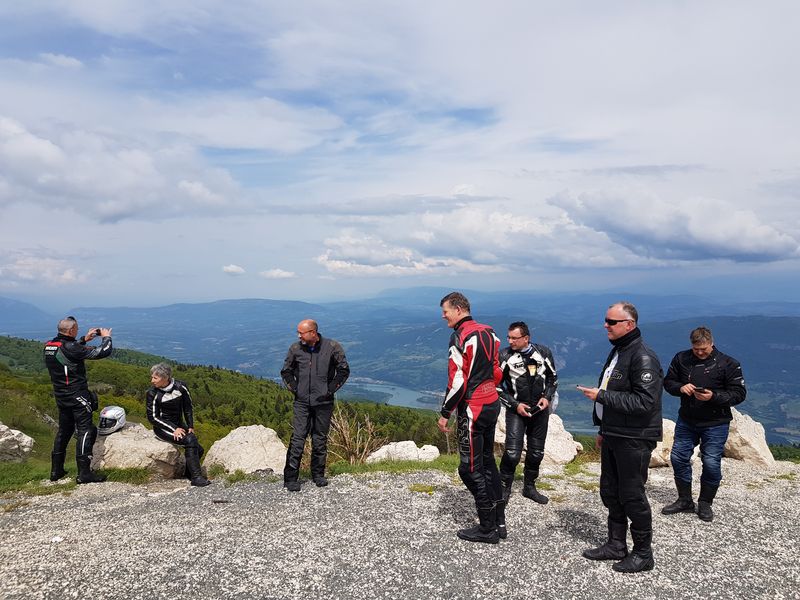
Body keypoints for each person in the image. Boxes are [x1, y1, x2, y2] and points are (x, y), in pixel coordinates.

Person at [577, 302, 663, 573]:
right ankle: (616, 544)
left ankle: (643, 553)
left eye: (611, 322)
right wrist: (603, 429)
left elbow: (645, 402)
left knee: (632, 495)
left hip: (634, 438)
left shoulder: (643, 357)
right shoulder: (619, 351)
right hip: (614, 433)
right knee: (610, 491)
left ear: (629, 324)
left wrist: (601, 396)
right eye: (606, 320)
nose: (606, 325)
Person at [437, 292, 503, 544]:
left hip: (473, 407)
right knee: (487, 461)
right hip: (492, 402)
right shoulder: (489, 332)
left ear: (458, 309)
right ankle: (499, 521)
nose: (443, 316)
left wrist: (445, 412)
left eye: (445, 311)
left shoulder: (459, 336)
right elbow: (497, 371)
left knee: (468, 469)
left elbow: (458, 380)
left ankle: (487, 528)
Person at [662, 326, 746, 522]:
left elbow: (739, 394)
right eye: (696, 349)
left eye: (704, 349)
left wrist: (713, 396)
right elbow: (668, 382)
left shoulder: (728, 363)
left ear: (712, 343)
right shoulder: (681, 358)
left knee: (711, 462)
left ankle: (705, 502)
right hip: (687, 419)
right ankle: (684, 500)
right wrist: (681, 387)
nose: (699, 352)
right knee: (678, 457)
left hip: (716, 422)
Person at [281, 319, 350, 492]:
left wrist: (330, 390)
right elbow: (286, 371)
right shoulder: (295, 349)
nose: (299, 336)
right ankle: (290, 478)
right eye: (298, 332)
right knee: (298, 438)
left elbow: (343, 370)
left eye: (301, 332)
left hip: (324, 402)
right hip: (302, 402)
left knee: (320, 438)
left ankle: (318, 475)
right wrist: (295, 389)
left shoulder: (332, 347)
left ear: (313, 333)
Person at [44, 316, 113, 484]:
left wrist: (83, 339)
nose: (77, 330)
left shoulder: (49, 345)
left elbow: (68, 350)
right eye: (76, 329)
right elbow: (102, 352)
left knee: (64, 430)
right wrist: (106, 338)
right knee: (86, 430)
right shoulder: (71, 347)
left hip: (61, 395)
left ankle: (56, 471)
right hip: (77, 395)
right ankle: (84, 474)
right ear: (71, 330)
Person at [498, 321, 558, 508]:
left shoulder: (543, 352)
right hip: (516, 410)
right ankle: (503, 489)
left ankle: (529, 487)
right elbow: (496, 386)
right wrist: (515, 405)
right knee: (512, 453)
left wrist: (547, 398)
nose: (510, 341)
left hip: (539, 410)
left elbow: (553, 378)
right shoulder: (504, 356)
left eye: (514, 338)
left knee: (536, 453)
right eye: (509, 337)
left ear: (526, 338)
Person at [147, 363, 210, 487]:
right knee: (190, 441)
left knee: (199, 449)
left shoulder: (181, 387)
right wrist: (174, 429)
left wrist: (190, 426)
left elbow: (188, 407)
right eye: (152, 377)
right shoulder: (152, 393)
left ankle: (189, 473)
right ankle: (196, 478)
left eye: (155, 378)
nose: (152, 381)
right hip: (162, 428)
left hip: (179, 425)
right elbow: (153, 418)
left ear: (165, 378)